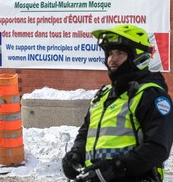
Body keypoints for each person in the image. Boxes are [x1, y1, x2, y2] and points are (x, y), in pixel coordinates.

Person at [62, 24, 173, 182]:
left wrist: (116, 168)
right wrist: (75, 154)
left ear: (137, 56)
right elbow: (84, 134)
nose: (112, 59)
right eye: (110, 53)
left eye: (120, 53)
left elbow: (158, 147)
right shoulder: (102, 96)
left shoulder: (151, 95)